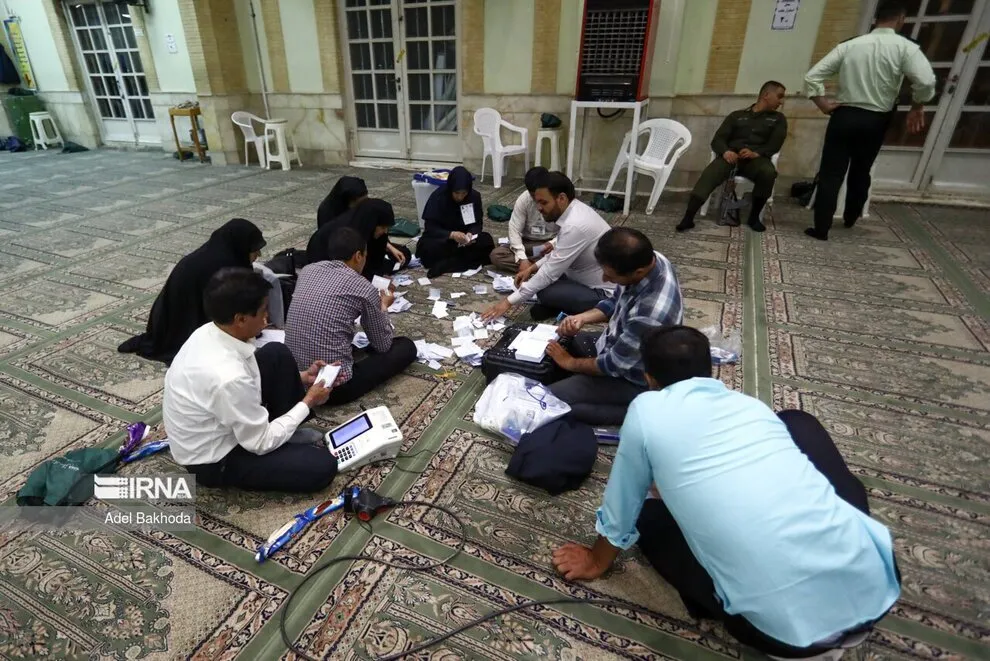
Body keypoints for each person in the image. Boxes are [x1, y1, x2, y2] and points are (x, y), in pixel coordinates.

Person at [552, 326, 901, 659]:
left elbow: (623, 503)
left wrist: (597, 560)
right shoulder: (750, 407)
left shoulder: (645, 409)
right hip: (877, 591)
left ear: (649, 379)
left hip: (781, 636)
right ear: (712, 371)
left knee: (648, 515)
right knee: (797, 422)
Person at [163, 268, 338, 493]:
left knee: (276, 353)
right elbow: (259, 442)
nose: (267, 319)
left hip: (223, 413)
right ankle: (279, 440)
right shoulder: (227, 376)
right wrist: (308, 401)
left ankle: (285, 433)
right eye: (263, 312)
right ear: (240, 319)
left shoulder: (210, 329)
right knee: (323, 466)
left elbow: (246, 371)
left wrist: (302, 377)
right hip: (215, 458)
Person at [804, 1, 936, 240]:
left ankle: (821, 228)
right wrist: (917, 105)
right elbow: (926, 81)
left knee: (831, 172)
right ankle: (851, 216)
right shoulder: (906, 48)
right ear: (901, 19)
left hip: (844, 115)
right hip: (876, 118)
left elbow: (812, 76)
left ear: (875, 19)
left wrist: (822, 103)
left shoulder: (850, 45)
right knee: (861, 169)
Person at [544, 228, 682, 426]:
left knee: (552, 402)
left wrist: (569, 362)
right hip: (620, 344)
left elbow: (612, 365)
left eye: (610, 275)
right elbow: (615, 301)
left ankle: (637, 408)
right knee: (561, 342)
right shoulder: (650, 259)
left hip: (636, 379)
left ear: (638, 272)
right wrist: (582, 318)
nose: (604, 280)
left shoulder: (650, 315)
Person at [285, 227, 417, 405]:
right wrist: (383, 306)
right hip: (331, 387)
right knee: (406, 347)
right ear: (358, 256)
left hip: (295, 376)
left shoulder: (308, 270)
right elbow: (383, 344)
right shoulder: (362, 286)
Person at [118, 218, 266, 365]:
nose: (258, 254)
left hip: (169, 320)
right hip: (184, 323)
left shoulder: (218, 254)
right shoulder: (223, 267)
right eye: (254, 249)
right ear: (240, 247)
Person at [481, 172, 615, 322]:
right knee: (540, 282)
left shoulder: (575, 225)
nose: (539, 208)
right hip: (578, 277)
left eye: (544, 203)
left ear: (562, 198)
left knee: (545, 290)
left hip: (602, 293)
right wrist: (531, 268)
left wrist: (507, 302)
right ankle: (560, 305)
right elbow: (558, 253)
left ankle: (577, 307)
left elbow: (549, 273)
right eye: (537, 202)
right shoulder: (575, 211)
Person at [676, 81, 788, 234]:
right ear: (766, 95)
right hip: (731, 158)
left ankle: (754, 217)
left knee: (768, 173)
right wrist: (725, 151)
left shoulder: (778, 119)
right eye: (779, 96)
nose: (781, 102)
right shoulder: (737, 116)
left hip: (756, 160)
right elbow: (718, 139)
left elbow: (775, 144)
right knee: (711, 173)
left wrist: (756, 153)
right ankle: (688, 217)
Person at [416, 166, 496, 278]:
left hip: (465, 241)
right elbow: (430, 227)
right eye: (457, 193)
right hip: (444, 239)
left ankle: (447, 264)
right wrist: (451, 235)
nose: (460, 197)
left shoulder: (474, 197)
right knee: (428, 248)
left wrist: (470, 234)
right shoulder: (438, 197)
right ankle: (460, 262)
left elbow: (477, 223)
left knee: (486, 241)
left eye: (464, 193)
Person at [306, 198, 411, 278]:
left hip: (360, 261)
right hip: (334, 266)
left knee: (404, 254)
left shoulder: (366, 226)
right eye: (382, 227)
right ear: (372, 223)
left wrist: (389, 247)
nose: (385, 232)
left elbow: (376, 255)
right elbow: (350, 267)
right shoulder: (349, 234)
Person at [488, 166, 558, 273]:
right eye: (533, 195)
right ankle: (539, 267)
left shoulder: (556, 199)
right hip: (528, 244)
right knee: (497, 255)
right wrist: (522, 258)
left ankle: (536, 267)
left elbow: (569, 230)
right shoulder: (524, 200)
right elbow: (514, 230)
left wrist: (553, 243)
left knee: (571, 253)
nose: (537, 200)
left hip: (550, 244)